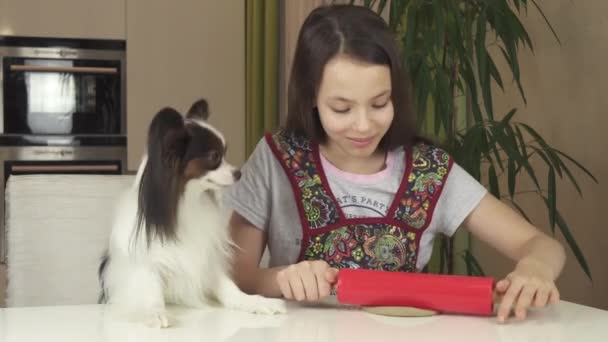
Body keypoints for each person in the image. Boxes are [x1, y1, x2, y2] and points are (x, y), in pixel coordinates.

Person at [225, 4, 565, 323]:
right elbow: (238, 276)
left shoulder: (428, 171)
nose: (363, 125)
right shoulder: (276, 158)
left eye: (379, 103)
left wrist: (535, 267)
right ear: (311, 96)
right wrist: (284, 279)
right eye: (342, 108)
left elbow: (541, 245)